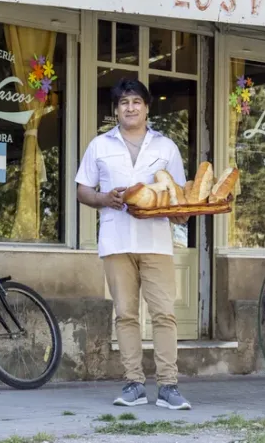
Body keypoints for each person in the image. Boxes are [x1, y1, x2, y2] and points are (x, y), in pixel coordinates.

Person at [75, 78, 192, 410]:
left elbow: (179, 196)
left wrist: (179, 215)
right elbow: (83, 189)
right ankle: (133, 385)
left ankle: (168, 386)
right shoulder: (100, 145)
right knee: (125, 315)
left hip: (156, 241)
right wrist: (103, 198)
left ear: (147, 107)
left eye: (136, 101)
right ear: (116, 110)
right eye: (124, 102)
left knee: (164, 314)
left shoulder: (165, 146)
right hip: (116, 240)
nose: (130, 107)